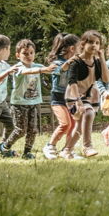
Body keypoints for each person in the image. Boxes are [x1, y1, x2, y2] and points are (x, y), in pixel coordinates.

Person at [0, 39, 56, 159]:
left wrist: (61, 66)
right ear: (18, 55)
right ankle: (4, 147)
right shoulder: (17, 67)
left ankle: (27, 152)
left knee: (33, 129)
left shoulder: (37, 66)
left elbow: (51, 70)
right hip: (19, 104)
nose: (29, 56)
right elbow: (27, 71)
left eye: (31, 52)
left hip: (34, 103)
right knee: (20, 130)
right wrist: (43, 70)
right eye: (25, 53)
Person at [63, 30, 109, 159]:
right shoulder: (76, 61)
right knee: (88, 113)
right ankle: (87, 146)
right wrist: (78, 101)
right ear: (83, 43)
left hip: (89, 96)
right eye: (90, 42)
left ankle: (67, 150)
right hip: (73, 96)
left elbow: (106, 79)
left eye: (97, 43)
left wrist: (103, 58)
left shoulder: (97, 61)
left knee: (79, 125)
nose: (94, 45)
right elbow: (72, 82)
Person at [43, 32, 80, 160]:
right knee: (65, 124)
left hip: (71, 99)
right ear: (72, 49)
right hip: (58, 99)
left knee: (74, 125)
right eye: (79, 47)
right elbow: (60, 71)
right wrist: (71, 61)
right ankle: (50, 146)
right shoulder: (57, 63)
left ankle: (68, 150)